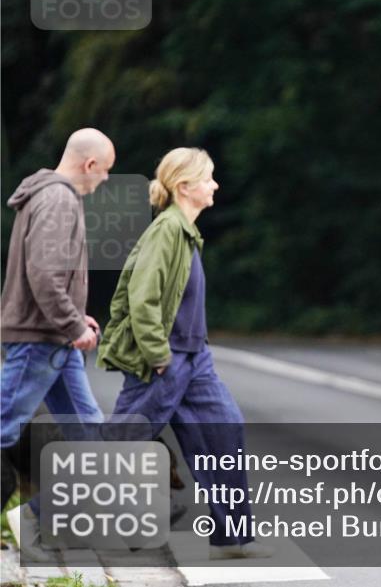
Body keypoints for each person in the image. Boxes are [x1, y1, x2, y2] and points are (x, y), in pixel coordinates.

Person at [96, 147, 271, 560]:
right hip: (165, 359)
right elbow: (143, 300)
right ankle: (40, 518)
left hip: (196, 360)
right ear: (184, 186)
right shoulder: (167, 231)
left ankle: (232, 537)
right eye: (208, 178)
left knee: (225, 428)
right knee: (123, 441)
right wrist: (159, 356)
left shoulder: (187, 232)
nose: (215, 185)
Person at [1, 128, 115, 558]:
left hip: (53, 341)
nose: (103, 181)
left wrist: (72, 317)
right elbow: (45, 274)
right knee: (3, 428)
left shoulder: (49, 196)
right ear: (89, 165)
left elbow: (50, 276)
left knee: (92, 442)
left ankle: (32, 520)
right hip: (39, 339)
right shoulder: (58, 199)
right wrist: (73, 325)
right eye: (104, 173)